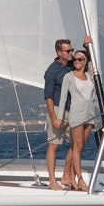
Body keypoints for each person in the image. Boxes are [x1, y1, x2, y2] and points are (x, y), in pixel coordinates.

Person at [59, 48, 99, 190]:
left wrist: (88, 46)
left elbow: (94, 61)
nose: (76, 61)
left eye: (80, 59)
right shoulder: (69, 76)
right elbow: (63, 99)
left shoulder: (90, 75)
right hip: (76, 115)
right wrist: (60, 118)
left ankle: (70, 177)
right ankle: (80, 179)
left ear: (85, 61)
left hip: (90, 115)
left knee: (80, 147)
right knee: (77, 146)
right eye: (74, 59)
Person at [43, 38, 76, 190]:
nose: (71, 53)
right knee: (54, 145)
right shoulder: (52, 71)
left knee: (77, 143)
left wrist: (87, 45)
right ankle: (52, 180)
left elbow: (87, 59)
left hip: (72, 109)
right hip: (57, 109)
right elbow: (48, 97)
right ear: (59, 52)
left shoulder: (72, 65)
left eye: (71, 50)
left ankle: (66, 176)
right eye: (68, 51)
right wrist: (54, 118)